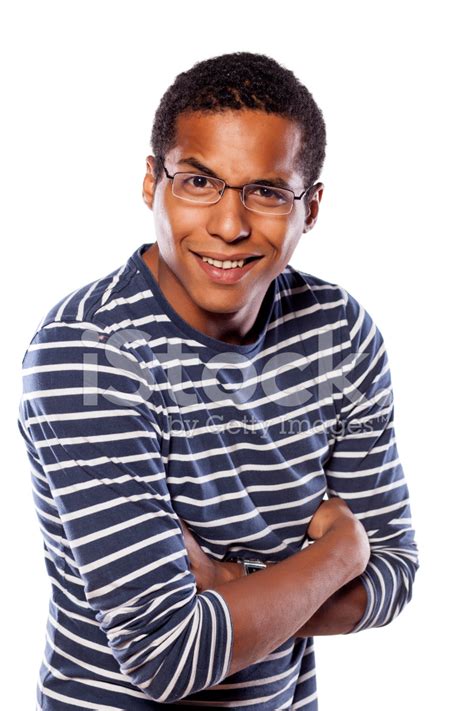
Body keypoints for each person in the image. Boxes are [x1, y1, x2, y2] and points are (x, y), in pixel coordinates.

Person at [18, 51, 419, 710]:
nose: (229, 226)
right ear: (152, 182)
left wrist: (228, 581)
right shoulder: (89, 355)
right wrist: (341, 552)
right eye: (199, 181)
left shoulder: (338, 334)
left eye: (266, 191)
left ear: (310, 207)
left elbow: (397, 571)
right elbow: (166, 654)